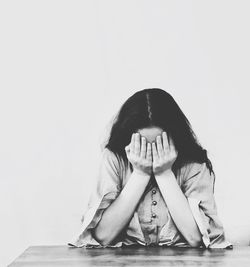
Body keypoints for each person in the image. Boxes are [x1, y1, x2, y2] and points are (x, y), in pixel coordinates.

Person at [68, 88, 232, 249]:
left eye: (160, 144)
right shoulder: (114, 158)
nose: (152, 153)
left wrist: (165, 174)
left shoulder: (194, 164)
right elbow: (103, 236)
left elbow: (197, 238)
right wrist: (140, 174)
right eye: (143, 145)